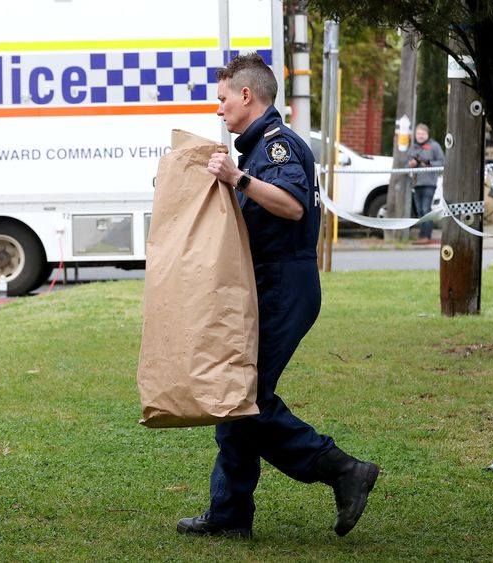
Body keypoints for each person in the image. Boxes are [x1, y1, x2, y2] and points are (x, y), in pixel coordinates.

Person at [177, 53, 379, 538]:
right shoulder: (255, 150)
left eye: (223, 98)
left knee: (244, 397)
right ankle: (229, 515)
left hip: (285, 284)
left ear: (247, 96)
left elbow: (289, 206)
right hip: (266, 283)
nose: (217, 108)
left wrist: (238, 180)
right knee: (238, 397)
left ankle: (341, 469)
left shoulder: (277, 145)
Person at [406, 123, 444, 242]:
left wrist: (429, 163)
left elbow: (443, 162)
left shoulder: (434, 146)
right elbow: (405, 164)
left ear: (427, 134)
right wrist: (410, 164)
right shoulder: (412, 148)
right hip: (417, 184)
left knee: (426, 209)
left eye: (423, 133)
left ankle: (427, 236)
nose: (421, 136)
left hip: (429, 183)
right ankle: (422, 235)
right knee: (419, 211)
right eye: (418, 134)